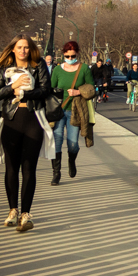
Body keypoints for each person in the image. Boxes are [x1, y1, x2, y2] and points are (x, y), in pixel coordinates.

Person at [0, 35, 58, 233]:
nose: (23, 51)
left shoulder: (38, 65)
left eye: (26, 47)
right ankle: (13, 211)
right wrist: (13, 87)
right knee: (11, 168)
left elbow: (45, 90)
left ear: (31, 49)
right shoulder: (6, 68)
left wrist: (25, 93)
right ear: (13, 49)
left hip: (33, 120)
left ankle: (25, 214)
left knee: (29, 168)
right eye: (19, 47)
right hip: (11, 121)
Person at [49, 41, 93, 184]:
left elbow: (91, 89)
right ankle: (56, 173)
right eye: (67, 56)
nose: (70, 58)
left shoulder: (84, 68)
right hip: (58, 111)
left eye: (72, 55)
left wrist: (78, 91)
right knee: (57, 141)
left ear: (77, 54)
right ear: (63, 54)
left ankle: (71, 160)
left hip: (75, 111)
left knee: (73, 143)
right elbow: (50, 89)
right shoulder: (57, 70)